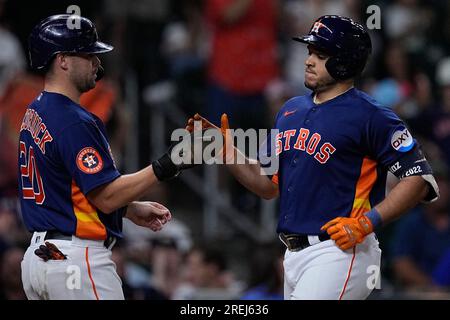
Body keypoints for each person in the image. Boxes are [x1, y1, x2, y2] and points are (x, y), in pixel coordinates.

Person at [187, 15, 439, 299]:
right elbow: (267, 184)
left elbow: (417, 179)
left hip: (341, 250)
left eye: (320, 55)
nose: (308, 60)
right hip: (293, 255)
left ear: (345, 60)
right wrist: (226, 150)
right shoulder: (290, 110)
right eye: (309, 52)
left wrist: (368, 222)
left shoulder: (372, 116)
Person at [19, 14, 194, 300]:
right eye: (88, 55)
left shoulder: (35, 111)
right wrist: (168, 164)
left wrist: (129, 209)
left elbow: (64, 186)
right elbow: (107, 197)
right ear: (63, 60)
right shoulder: (73, 120)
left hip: (39, 260)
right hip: (76, 260)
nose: (97, 64)